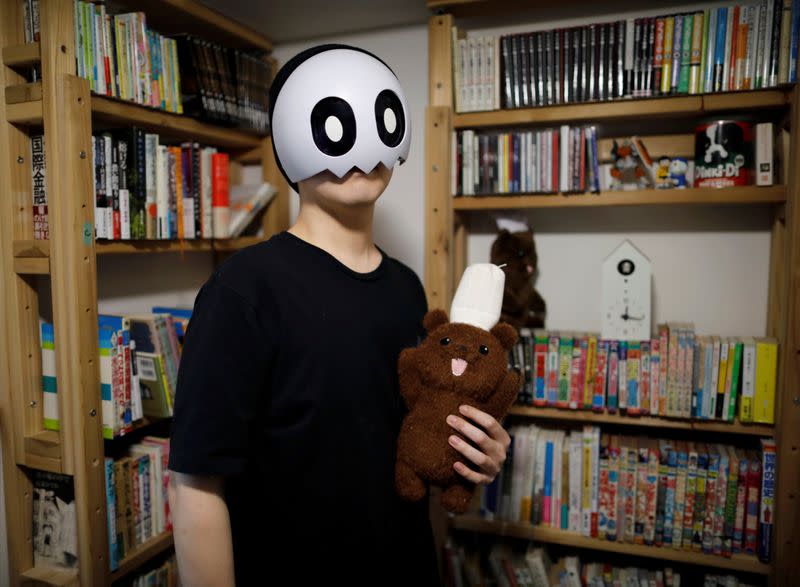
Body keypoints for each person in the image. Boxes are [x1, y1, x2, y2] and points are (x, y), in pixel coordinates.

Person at [167, 44, 511, 586]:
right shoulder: (243, 290)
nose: (361, 148)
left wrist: (474, 459)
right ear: (289, 141)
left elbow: (414, 446)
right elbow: (195, 486)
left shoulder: (407, 288)